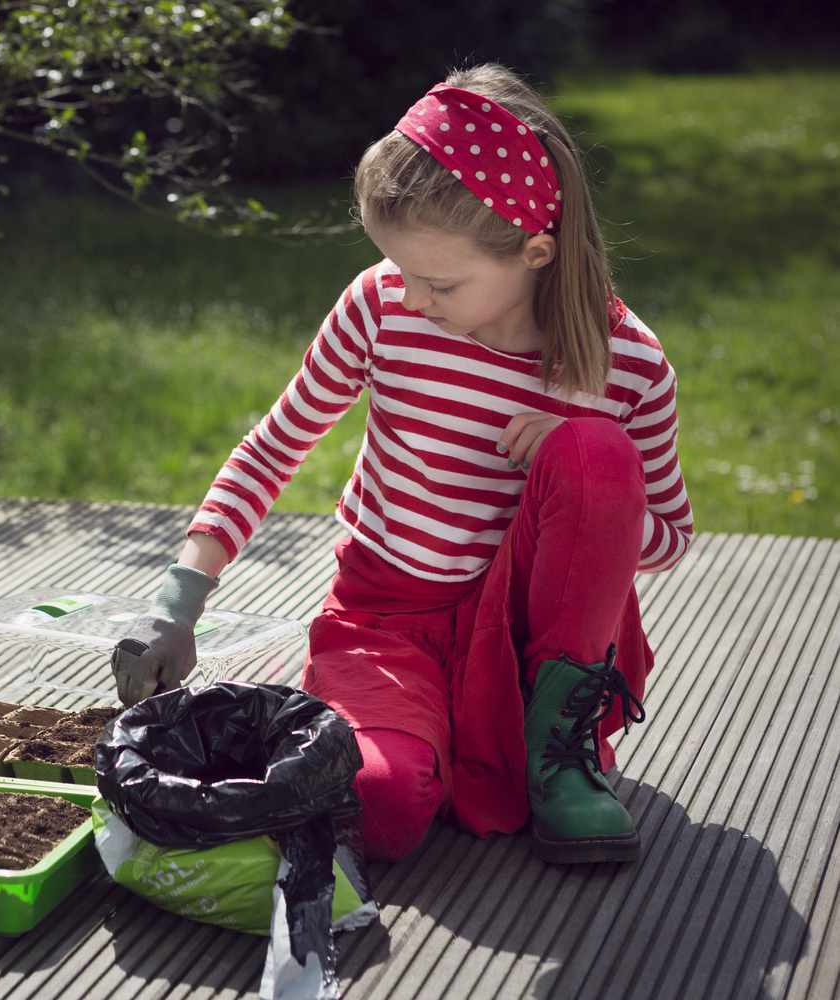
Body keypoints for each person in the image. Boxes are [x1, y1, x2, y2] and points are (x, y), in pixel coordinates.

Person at [109, 63, 694, 866]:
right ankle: (419, 737)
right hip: (387, 622)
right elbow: (275, 446)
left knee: (596, 451)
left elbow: (668, 540)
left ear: (534, 252)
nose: (413, 298)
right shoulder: (381, 305)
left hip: (533, 640)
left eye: (440, 282)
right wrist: (177, 604)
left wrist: (576, 439)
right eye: (402, 270)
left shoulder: (629, 362)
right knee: (378, 803)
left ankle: (558, 757)